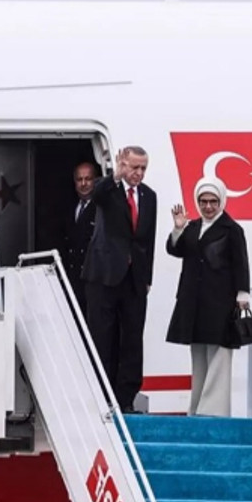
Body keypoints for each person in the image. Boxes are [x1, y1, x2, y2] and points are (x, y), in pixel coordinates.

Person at [165, 179, 251, 417]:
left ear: (221, 201)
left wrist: (242, 293)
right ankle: (197, 408)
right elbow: (175, 250)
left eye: (213, 201)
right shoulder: (192, 227)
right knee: (199, 355)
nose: (208, 206)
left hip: (220, 302)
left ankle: (214, 410)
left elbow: (241, 263)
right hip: (194, 301)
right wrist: (178, 229)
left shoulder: (232, 229)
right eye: (203, 201)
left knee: (219, 355)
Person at [82, 146, 157, 413]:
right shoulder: (109, 190)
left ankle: (126, 398)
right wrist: (114, 175)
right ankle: (102, 395)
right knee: (103, 336)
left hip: (134, 278)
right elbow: (95, 194)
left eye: (143, 168)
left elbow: (148, 239)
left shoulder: (149, 196)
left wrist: (147, 277)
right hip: (104, 275)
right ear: (123, 165)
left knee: (132, 338)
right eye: (134, 167)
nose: (139, 173)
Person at [62, 162, 98, 313]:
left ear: (95, 180)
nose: (83, 184)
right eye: (79, 179)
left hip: (93, 281)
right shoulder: (69, 207)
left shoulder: (101, 209)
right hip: (72, 278)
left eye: (88, 179)